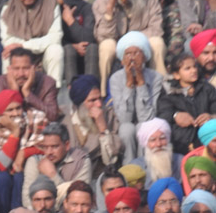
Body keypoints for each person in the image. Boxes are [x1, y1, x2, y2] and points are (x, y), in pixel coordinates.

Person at [92, 0, 165, 90]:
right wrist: (110, 9)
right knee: (107, 46)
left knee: (157, 43)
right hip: (117, 46)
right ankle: (103, 94)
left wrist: (133, 42)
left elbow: (156, 29)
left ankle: (162, 91)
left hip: (143, 45)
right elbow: (103, 36)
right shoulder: (102, 1)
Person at [0, 89, 46, 213]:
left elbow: (45, 145)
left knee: (19, 177)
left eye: (18, 108)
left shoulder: (37, 118)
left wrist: (24, 153)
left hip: (31, 168)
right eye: (10, 110)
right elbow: (1, 164)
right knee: (2, 178)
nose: (16, 113)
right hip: (5, 173)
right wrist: (15, 132)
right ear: (0, 114)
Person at [0, 0, 62, 87]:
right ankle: (10, 93)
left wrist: (24, 45)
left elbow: (55, 37)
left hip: (43, 53)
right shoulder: (7, 9)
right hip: (19, 55)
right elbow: (8, 41)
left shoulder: (51, 4)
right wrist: (21, 48)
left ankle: (54, 91)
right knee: (7, 54)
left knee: (56, 50)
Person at [109, 32, 163, 162]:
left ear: (144, 57)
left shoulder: (156, 77)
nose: (132, 58)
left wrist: (141, 83)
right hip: (125, 125)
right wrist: (129, 84)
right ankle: (128, 168)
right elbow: (124, 118)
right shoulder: (115, 78)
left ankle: (145, 166)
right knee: (126, 129)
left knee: (143, 127)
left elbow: (146, 118)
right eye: (128, 54)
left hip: (148, 122)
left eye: (136, 53)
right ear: (122, 60)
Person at [157, 51, 216, 156]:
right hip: (179, 142)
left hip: (205, 140)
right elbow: (162, 114)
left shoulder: (207, 88)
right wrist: (175, 115)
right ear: (176, 75)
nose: (193, 70)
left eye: (194, 66)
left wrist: (210, 117)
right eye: (187, 68)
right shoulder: (169, 92)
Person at [21, 121, 92, 207]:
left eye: (54, 146)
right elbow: (27, 200)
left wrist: (53, 175)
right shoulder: (35, 161)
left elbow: (80, 199)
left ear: (67, 145)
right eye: (45, 147)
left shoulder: (81, 161)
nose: (49, 152)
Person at [64, 74, 122, 180]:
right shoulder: (66, 122)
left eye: (100, 98)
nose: (99, 104)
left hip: (100, 177)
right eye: (92, 100)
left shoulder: (108, 116)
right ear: (80, 103)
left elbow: (111, 160)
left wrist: (103, 127)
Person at [0, 45, 59, 124]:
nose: (21, 74)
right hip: (7, 127)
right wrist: (13, 94)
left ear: (34, 68)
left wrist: (28, 93)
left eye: (26, 68)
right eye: (16, 69)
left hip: (38, 126)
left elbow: (53, 116)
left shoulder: (47, 83)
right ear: (9, 69)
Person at [55, 0, 97, 83]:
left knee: (92, 48)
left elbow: (88, 38)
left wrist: (71, 21)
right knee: (69, 49)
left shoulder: (87, 9)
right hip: (66, 54)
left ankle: (90, 86)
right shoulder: (56, 10)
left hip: (86, 55)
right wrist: (74, 46)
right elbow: (55, 37)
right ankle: (71, 87)